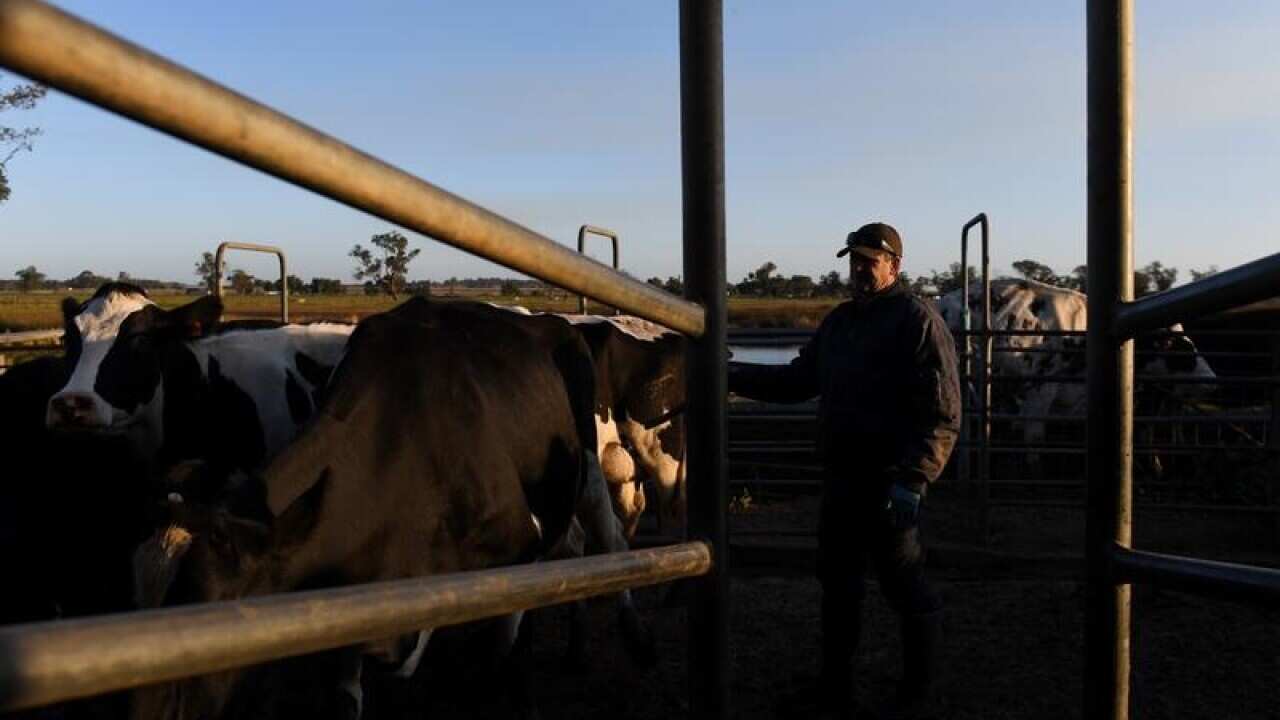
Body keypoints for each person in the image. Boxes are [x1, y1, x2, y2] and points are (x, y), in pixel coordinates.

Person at [728, 222, 961, 719]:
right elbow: (797, 381)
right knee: (838, 584)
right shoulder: (839, 323)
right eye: (852, 260)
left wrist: (915, 478)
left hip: (890, 480)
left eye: (868, 261)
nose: (857, 269)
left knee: (902, 580)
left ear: (893, 265)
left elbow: (943, 413)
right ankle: (837, 689)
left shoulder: (916, 320)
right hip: (841, 476)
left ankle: (920, 691)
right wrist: (729, 374)